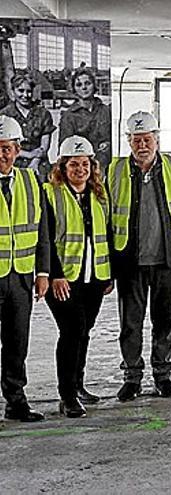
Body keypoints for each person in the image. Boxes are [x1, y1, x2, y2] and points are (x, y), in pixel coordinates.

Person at [107, 111, 171, 402]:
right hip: (130, 261)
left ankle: (162, 376)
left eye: (147, 139)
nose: (142, 145)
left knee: (164, 322)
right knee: (131, 324)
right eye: (136, 140)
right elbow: (106, 215)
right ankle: (132, 377)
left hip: (166, 259)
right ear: (128, 141)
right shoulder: (114, 170)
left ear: (157, 139)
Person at [43, 135, 113, 418]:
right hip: (64, 279)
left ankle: (78, 385)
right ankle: (67, 396)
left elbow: (106, 233)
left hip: (94, 276)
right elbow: (45, 238)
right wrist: (55, 274)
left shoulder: (99, 194)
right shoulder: (50, 193)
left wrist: (109, 274)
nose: (80, 169)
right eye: (73, 164)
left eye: (85, 164)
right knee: (72, 331)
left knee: (84, 331)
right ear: (62, 166)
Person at [0, 115, 50, 422]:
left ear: (18, 149)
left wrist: (42, 272)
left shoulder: (32, 182)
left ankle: (16, 400)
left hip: (20, 276)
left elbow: (42, 231)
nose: (2, 154)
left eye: (7, 148)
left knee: (17, 342)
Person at [0, 73, 54, 181]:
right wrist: (28, 155)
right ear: (13, 91)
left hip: (39, 162)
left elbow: (44, 146)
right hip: (12, 162)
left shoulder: (43, 114)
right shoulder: (4, 115)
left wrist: (35, 161)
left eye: (29, 91)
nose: (25, 95)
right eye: (20, 90)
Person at [58, 68, 111, 173]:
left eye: (88, 83)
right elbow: (65, 146)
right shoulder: (69, 116)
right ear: (73, 88)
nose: (84, 88)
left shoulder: (106, 111)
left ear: (94, 85)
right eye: (79, 85)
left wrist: (109, 144)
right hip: (82, 167)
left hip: (107, 163)